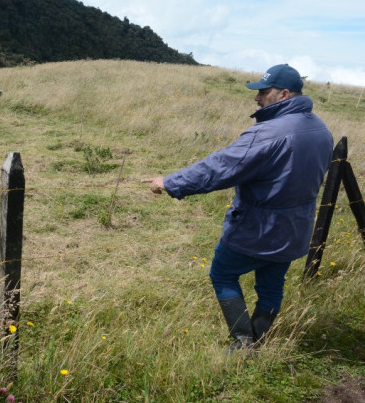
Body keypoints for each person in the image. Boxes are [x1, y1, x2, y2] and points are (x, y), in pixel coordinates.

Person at [142, 64, 334, 352]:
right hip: (295, 228)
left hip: (257, 228)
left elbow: (220, 167)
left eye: (263, 92)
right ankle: (258, 338)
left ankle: (244, 342)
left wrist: (170, 182)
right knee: (272, 282)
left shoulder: (268, 134)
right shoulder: (321, 129)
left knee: (222, 273)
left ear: (283, 94)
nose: (256, 99)